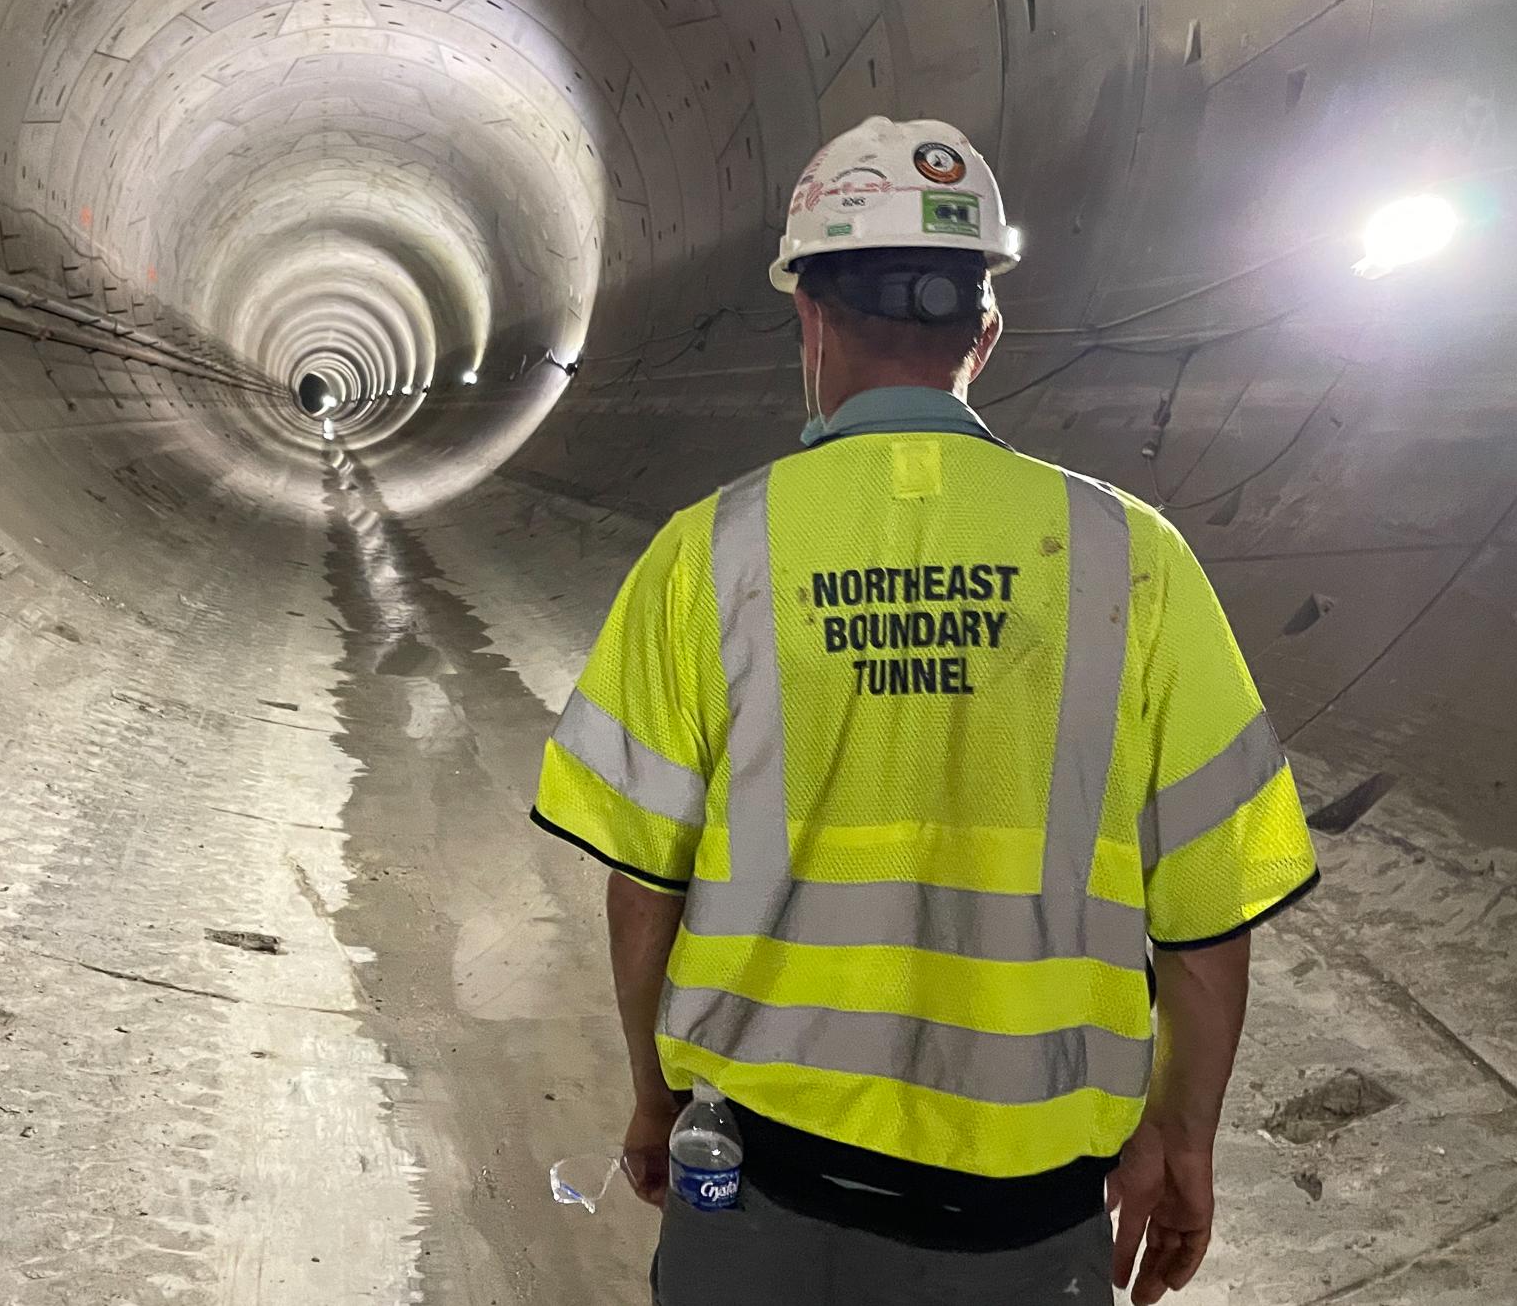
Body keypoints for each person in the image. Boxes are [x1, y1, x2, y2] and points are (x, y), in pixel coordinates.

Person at [531, 116, 1320, 1304]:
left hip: (753, 1188)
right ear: (984, 334)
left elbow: (643, 894)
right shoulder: (1133, 562)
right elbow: (1207, 923)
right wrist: (1184, 1132)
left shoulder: (708, 554)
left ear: (807, 316)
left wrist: (653, 1091)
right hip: (1028, 1221)